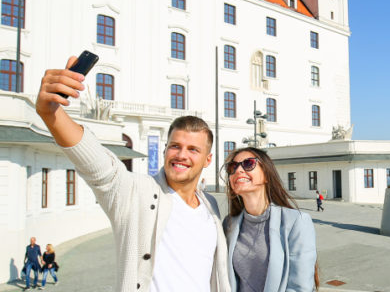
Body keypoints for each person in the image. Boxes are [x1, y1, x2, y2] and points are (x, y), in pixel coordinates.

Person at [35, 58, 230, 291]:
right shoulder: (137, 192)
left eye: (193, 149)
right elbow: (99, 166)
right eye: (175, 146)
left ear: (208, 159)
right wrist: (50, 114)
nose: (181, 155)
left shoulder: (210, 207)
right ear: (165, 149)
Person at [223, 147, 318, 291]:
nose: (238, 170)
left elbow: (300, 287)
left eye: (248, 164)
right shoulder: (229, 224)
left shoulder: (296, 222)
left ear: (266, 175)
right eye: (232, 166)